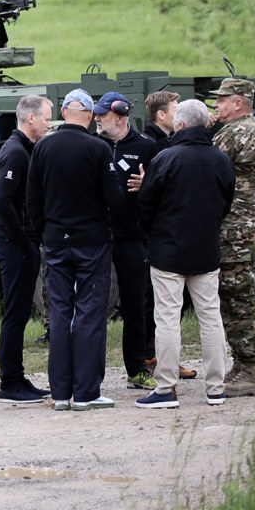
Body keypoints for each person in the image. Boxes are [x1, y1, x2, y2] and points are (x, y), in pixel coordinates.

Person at [27, 89, 121, 410]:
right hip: (91, 242)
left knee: (60, 313)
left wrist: (45, 232)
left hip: (55, 242)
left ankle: (60, 393)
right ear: (92, 116)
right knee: (90, 314)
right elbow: (115, 199)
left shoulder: (43, 147)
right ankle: (86, 392)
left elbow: (33, 199)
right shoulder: (99, 148)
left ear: (64, 111)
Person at [135, 99, 233, 407]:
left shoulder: (165, 158)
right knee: (211, 317)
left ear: (179, 125)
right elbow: (226, 203)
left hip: (168, 251)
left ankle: (166, 388)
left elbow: (146, 205)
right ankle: (216, 387)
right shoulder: (221, 159)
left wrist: (155, 234)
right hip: (206, 249)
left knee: (166, 318)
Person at [93, 92, 160, 392]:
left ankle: (137, 368)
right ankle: (91, 373)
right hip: (96, 237)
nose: (96, 118)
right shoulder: (94, 146)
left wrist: (149, 185)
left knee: (136, 306)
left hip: (133, 237)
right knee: (92, 306)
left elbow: (164, 189)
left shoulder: (147, 147)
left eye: (102, 114)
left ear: (119, 115)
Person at [210, 78, 255, 398]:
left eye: (222, 100)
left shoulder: (238, 132)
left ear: (238, 102)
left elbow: (207, 166)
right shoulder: (240, 129)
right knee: (235, 296)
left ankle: (250, 368)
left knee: (238, 298)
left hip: (237, 227)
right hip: (239, 225)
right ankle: (244, 364)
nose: (216, 105)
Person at [0, 95, 52, 402]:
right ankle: (10, 382)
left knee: (20, 312)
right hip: (15, 244)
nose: (50, 123)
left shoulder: (27, 149)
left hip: (22, 242)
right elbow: (3, 200)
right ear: (31, 118)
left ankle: (18, 377)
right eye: (46, 117)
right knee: (15, 314)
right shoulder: (15, 152)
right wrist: (24, 241)